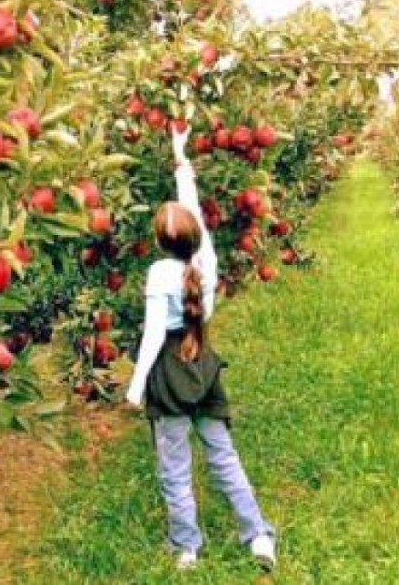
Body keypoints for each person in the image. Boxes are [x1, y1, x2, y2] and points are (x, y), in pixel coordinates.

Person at [126, 124, 277, 571]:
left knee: (174, 466)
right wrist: (181, 156)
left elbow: (154, 335)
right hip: (203, 363)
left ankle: (187, 548)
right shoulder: (204, 262)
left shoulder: (159, 273)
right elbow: (190, 209)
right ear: (194, 236)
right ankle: (258, 537)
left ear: (158, 242)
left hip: (170, 374)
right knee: (223, 456)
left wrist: (135, 387)